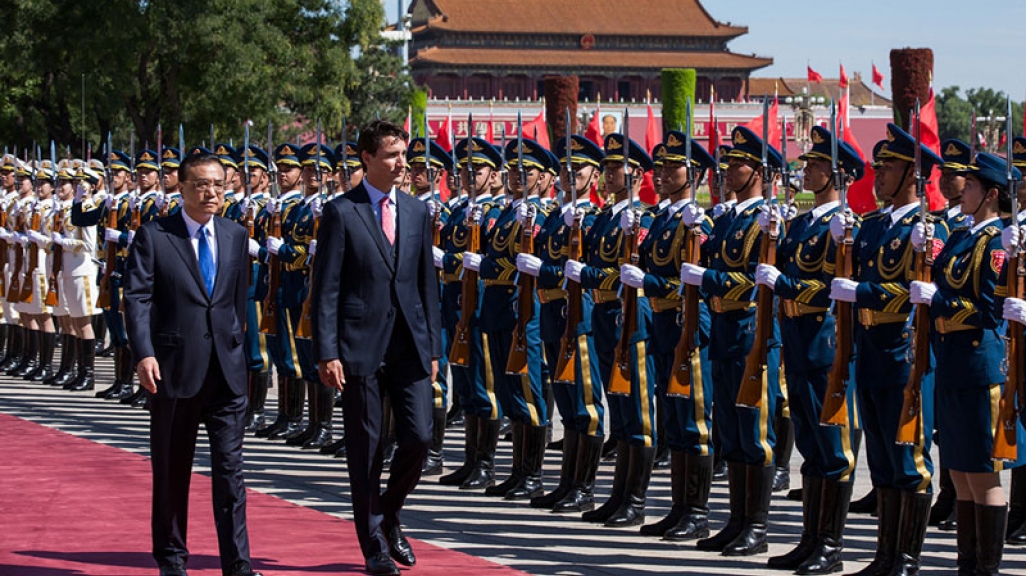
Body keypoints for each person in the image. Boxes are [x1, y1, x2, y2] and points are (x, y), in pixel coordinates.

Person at [311, 119, 441, 576]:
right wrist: (327, 351)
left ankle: (386, 513)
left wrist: (434, 348)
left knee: (420, 437)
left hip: (409, 344)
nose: (402, 163)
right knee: (366, 448)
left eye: (404, 154)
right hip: (358, 347)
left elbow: (427, 283)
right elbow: (325, 287)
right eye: (391, 154)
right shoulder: (341, 212)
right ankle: (374, 547)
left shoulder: (417, 211)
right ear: (366, 158)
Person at [123, 152, 262, 576]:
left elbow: (237, 300)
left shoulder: (236, 235)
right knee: (171, 469)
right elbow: (137, 298)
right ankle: (171, 557)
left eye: (218, 184)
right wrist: (144, 352)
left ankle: (237, 563)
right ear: (180, 187)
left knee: (230, 472)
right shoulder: (154, 235)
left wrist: (237, 348)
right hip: (174, 369)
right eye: (201, 184)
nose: (211, 192)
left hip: (226, 371)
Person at [828, 123, 947, 576]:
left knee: (909, 458)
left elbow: (919, 294)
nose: (877, 176)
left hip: (904, 353)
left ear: (913, 175)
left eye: (888, 169)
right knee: (879, 458)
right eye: (877, 168)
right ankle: (884, 555)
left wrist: (862, 293)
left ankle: (906, 558)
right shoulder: (873, 225)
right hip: (870, 351)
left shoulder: (931, 229)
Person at [682, 126, 784, 557]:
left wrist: (710, 278)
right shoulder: (728, 218)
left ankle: (756, 526)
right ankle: (737, 520)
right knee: (732, 434)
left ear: (757, 171)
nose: (726, 170)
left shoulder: (768, 220)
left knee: (755, 433)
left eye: (736, 164)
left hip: (751, 334)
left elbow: (756, 282)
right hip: (723, 333)